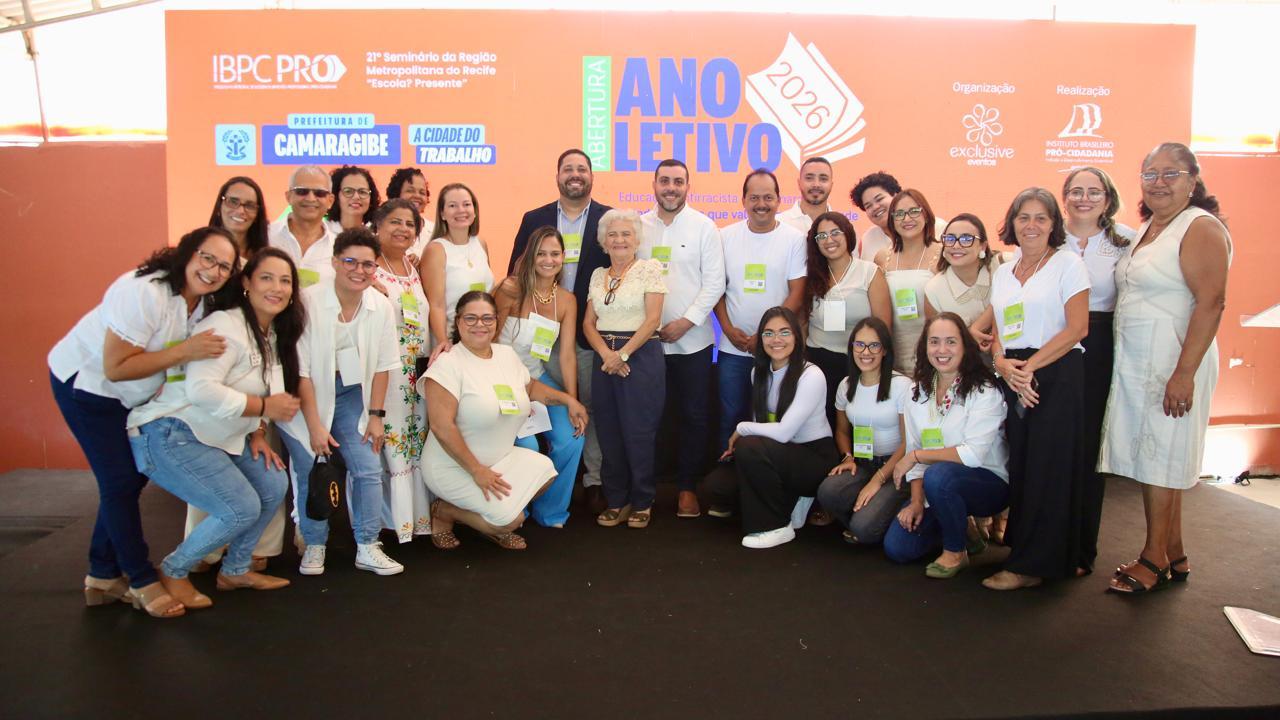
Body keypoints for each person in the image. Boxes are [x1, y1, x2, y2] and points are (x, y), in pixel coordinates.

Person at [48, 226, 240, 618]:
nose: (213, 270)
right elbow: (116, 368)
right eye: (207, 258)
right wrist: (185, 351)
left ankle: (103, 574)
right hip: (88, 388)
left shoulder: (202, 302)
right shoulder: (144, 292)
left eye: (224, 266)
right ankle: (140, 578)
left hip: (132, 396)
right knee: (119, 482)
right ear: (187, 253)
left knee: (129, 479)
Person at [127, 248, 303, 607]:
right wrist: (263, 408)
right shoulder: (225, 325)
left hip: (220, 437)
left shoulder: (270, 334)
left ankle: (235, 570)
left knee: (272, 484)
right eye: (267, 278)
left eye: (285, 281)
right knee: (240, 507)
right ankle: (173, 570)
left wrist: (257, 432)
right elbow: (201, 390)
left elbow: (268, 391)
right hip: (171, 432)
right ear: (246, 283)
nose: (277, 288)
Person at [1100, 143, 1231, 594]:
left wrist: (1184, 373)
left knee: (1161, 459)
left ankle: (1153, 558)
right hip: (1140, 362)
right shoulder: (1149, 229)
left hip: (1175, 361)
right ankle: (1174, 551)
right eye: (1150, 174)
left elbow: (1212, 302)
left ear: (1193, 180)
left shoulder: (1199, 227)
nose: (1158, 182)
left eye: (1170, 173)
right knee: (1156, 456)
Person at [980, 188, 1090, 591]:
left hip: (1056, 372)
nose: (1031, 225)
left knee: (1049, 467)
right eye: (1023, 217)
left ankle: (1033, 566)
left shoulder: (1068, 264)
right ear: (1012, 223)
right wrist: (1002, 364)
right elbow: (998, 334)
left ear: (1053, 224)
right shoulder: (1003, 272)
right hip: (1015, 373)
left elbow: (1077, 328)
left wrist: (1029, 369)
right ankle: (1033, 552)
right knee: (1024, 464)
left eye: (1041, 217)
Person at [278, 228, 404, 577]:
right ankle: (314, 544)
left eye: (368, 264)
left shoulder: (380, 306)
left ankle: (367, 545)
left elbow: (383, 366)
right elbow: (301, 372)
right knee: (311, 467)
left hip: (351, 393)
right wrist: (315, 426)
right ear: (335, 262)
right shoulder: (307, 302)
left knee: (368, 466)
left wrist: (375, 416)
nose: (359, 270)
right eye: (350, 261)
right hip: (304, 396)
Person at [422, 292, 587, 549]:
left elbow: (530, 388)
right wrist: (477, 471)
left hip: (499, 461)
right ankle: (446, 512)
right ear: (458, 321)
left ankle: (487, 515)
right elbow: (442, 427)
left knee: (546, 472)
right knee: (512, 520)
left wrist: (569, 401)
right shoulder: (447, 365)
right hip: (453, 467)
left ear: (497, 321)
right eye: (471, 318)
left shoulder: (505, 355)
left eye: (487, 318)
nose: (480, 324)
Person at [507, 149, 613, 513]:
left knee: (585, 407)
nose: (575, 174)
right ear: (557, 176)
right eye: (568, 168)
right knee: (534, 416)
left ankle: (593, 480)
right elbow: (515, 269)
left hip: (581, 335)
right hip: (529, 339)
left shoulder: (607, 219)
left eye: (582, 168)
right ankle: (529, 488)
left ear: (591, 176)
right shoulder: (533, 218)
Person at [881, 313, 1010, 578]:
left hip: (989, 483)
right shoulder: (917, 392)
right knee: (898, 548)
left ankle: (955, 551)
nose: (942, 350)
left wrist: (917, 456)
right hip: (938, 485)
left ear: (965, 346)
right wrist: (917, 502)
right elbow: (914, 450)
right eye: (934, 342)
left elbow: (972, 455)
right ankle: (961, 527)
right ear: (924, 346)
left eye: (951, 342)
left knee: (939, 475)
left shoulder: (984, 390)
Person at [700, 307, 836, 548]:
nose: (776, 339)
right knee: (717, 486)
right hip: (779, 453)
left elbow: (784, 432)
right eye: (768, 333)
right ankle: (789, 499)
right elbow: (762, 425)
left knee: (750, 446)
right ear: (761, 339)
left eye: (784, 332)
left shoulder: (811, 375)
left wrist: (742, 429)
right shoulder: (758, 373)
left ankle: (775, 526)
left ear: (797, 336)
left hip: (813, 458)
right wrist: (740, 447)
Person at [1058, 166, 1136, 574]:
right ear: (1064, 197)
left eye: (1093, 191)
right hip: (1055, 344)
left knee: (1088, 449)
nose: (1084, 198)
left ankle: (1081, 549)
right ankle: (1045, 541)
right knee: (1055, 445)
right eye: (1076, 191)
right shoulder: (1050, 237)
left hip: (1101, 346)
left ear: (1108, 198)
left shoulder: (1126, 242)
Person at [639, 159, 726, 518]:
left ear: (688, 186)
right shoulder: (638, 227)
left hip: (694, 342)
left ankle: (688, 488)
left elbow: (715, 283)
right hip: (646, 344)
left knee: (694, 416)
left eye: (678, 181)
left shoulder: (704, 227)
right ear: (654, 185)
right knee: (649, 417)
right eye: (665, 181)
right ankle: (644, 489)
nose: (671, 188)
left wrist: (686, 322)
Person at [495, 226, 585, 528]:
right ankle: (513, 511)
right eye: (542, 253)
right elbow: (488, 340)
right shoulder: (510, 290)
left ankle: (550, 511)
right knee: (529, 447)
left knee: (572, 438)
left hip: (537, 377)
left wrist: (572, 401)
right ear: (531, 256)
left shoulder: (567, 300)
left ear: (563, 257)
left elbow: (567, 354)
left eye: (555, 254)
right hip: (502, 380)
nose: (548, 260)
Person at [584, 209, 668, 528]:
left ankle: (643, 500)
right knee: (608, 431)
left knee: (639, 432)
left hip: (640, 356)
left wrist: (623, 355)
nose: (619, 240)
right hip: (604, 358)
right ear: (603, 241)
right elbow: (588, 323)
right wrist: (608, 355)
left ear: (637, 239)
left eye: (626, 234)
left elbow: (653, 319)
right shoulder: (597, 275)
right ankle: (617, 499)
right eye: (613, 234)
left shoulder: (649, 269)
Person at [714, 169, 807, 452]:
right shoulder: (724, 236)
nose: (761, 204)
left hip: (777, 350)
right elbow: (715, 289)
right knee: (729, 414)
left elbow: (797, 292)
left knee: (771, 417)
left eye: (768, 197)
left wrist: (766, 336)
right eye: (754, 198)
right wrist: (727, 329)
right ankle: (727, 468)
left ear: (779, 200)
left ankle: (765, 470)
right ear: (743, 200)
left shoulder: (794, 239)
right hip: (733, 348)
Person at [815, 317, 911, 546]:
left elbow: (909, 443)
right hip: (863, 462)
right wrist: (848, 457)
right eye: (859, 345)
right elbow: (842, 431)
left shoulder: (902, 386)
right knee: (828, 492)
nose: (865, 352)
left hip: (897, 467)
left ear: (885, 350)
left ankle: (881, 515)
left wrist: (878, 479)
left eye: (874, 345)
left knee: (863, 528)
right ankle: (871, 513)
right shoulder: (846, 385)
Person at [370, 199, 432, 543]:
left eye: (410, 224)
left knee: (413, 441)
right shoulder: (369, 269)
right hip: (386, 373)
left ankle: (414, 520)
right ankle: (382, 522)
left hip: (416, 372)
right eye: (395, 222)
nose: (403, 229)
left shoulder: (413, 266)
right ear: (377, 226)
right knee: (386, 444)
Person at [802, 211, 892, 429]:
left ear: (848, 235)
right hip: (818, 360)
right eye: (821, 236)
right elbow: (803, 322)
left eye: (835, 233)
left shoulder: (869, 272)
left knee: (854, 423)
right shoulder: (811, 275)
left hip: (860, 360)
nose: (829, 240)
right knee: (821, 423)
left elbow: (883, 326)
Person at [420, 183, 494, 357]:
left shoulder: (480, 243)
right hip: (452, 340)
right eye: (453, 205)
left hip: (480, 336)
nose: (461, 210)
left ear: (474, 210)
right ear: (442, 214)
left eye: (466, 204)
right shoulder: (436, 249)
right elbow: (436, 304)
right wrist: (443, 341)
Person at [874, 189, 942, 375]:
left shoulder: (944, 254)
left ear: (926, 215)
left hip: (935, 353)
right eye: (899, 214)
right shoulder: (882, 257)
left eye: (914, 211)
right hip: (894, 353)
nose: (906, 219)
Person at [924, 214, 999, 326]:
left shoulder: (1001, 268)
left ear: (983, 246)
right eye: (950, 239)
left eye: (966, 239)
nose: (956, 245)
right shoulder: (933, 291)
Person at [268, 165, 337, 288]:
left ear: (330, 201)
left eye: (319, 193)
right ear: (288, 196)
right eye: (302, 191)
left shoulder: (339, 247)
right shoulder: (266, 236)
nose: (311, 198)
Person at [209, 176, 269, 258]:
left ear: (257, 215)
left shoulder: (264, 259)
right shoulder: (199, 248)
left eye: (249, 206)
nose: (240, 211)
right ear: (219, 206)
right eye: (233, 202)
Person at [850, 171, 902, 262]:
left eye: (879, 199)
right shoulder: (869, 238)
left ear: (895, 195)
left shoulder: (920, 227)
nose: (875, 207)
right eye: (868, 206)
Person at [385, 167, 435, 256]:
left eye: (422, 192)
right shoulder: (379, 227)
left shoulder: (436, 232)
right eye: (410, 191)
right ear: (396, 194)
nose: (417, 196)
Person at [778, 157, 834, 234]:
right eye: (809, 178)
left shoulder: (843, 227)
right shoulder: (779, 224)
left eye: (823, 179)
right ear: (799, 183)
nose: (816, 184)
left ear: (831, 185)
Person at [326, 165, 381, 234]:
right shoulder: (323, 232)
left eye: (362, 192)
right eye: (348, 191)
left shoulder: (375, 236)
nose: (356, 197)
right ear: (336, 197)